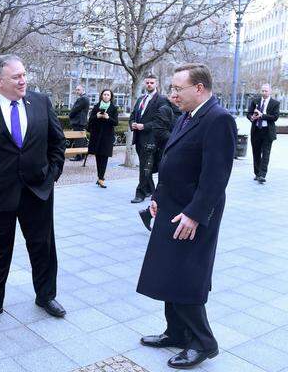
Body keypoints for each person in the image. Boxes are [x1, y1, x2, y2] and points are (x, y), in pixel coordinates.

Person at [136, 63, 236, 369]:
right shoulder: (188, 115)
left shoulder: (218, 120)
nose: (173, 94)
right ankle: (176, 332)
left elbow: (216, 177)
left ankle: (203, 342)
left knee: (187, 276)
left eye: (178, 89)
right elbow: (173, 163)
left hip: (192, 215)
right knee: (169, 272)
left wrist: (194, 215)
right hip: (171, 208)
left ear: (200, 89)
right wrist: (157, 198)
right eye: (172, 88)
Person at [0, 54, 66, 321]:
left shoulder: (41, 102)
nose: (23, 80)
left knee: (43, 248)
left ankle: (46, 296)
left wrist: (51, 175)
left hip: (38, 191)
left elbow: (57, 142)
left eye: (24, 74)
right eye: (16, 76)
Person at [139, 89, 182, 230]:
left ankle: (149, 213)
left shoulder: (183, 111)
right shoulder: (165, 109)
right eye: (173, 96)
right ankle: (150, 213)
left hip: (178, 154)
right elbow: (159, 131)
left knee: (168, 187)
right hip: (167, 153)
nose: (176, 98)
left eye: (178, 95)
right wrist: (180, 140)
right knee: (165, 186)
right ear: (169, 97)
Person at [129, 74, 167, 203]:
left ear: (156, 84)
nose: (149, 85)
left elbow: (160, 122)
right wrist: (132, 124)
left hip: (151, 139)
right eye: (147, 83)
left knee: (144, 167)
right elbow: (133, 114)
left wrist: (143, 126)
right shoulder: (141, 99)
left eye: (152, 82)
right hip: (139, 138)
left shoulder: (161, 100)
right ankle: (150, 189)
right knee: (146, 166)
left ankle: (140, 193)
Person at [246, 83, 279, 183]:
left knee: (265, 153)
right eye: (262, 91)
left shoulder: (275, 103)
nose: (264, 92)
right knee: (256, 153)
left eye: (266, 91)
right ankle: (257, 173)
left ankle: (262, 175)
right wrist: (251, 117)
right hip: (256, 130)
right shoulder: (255, 101)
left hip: (267, 131)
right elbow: (249, 113)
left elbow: (275, 117)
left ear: (270, 92)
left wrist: (262, 115)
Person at [86, 89, 118, 188]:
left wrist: (108, 118)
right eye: (104, 94)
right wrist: (97, 116)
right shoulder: (96, 107)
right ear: (101, 96)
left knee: (104, 157)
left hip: (107, 137)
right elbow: (90, 121)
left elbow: (116, 123)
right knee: (98, 157)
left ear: (111, 97)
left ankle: (101, 178)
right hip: (96, 136)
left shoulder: (113, 108)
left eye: (108, 95)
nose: (106, 96)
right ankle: (100, 177)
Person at [68, 85, 89, 161]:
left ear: (83, 89)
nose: (77, 91)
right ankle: (81, 155)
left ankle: (78, 156)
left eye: (78, 90)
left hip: (79, 122)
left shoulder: (83, 98)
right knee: (81, 139)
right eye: (76, 90)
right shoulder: (85, 97)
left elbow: (75, 109)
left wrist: (70, 115)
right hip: (81, 122)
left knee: (78, 140)